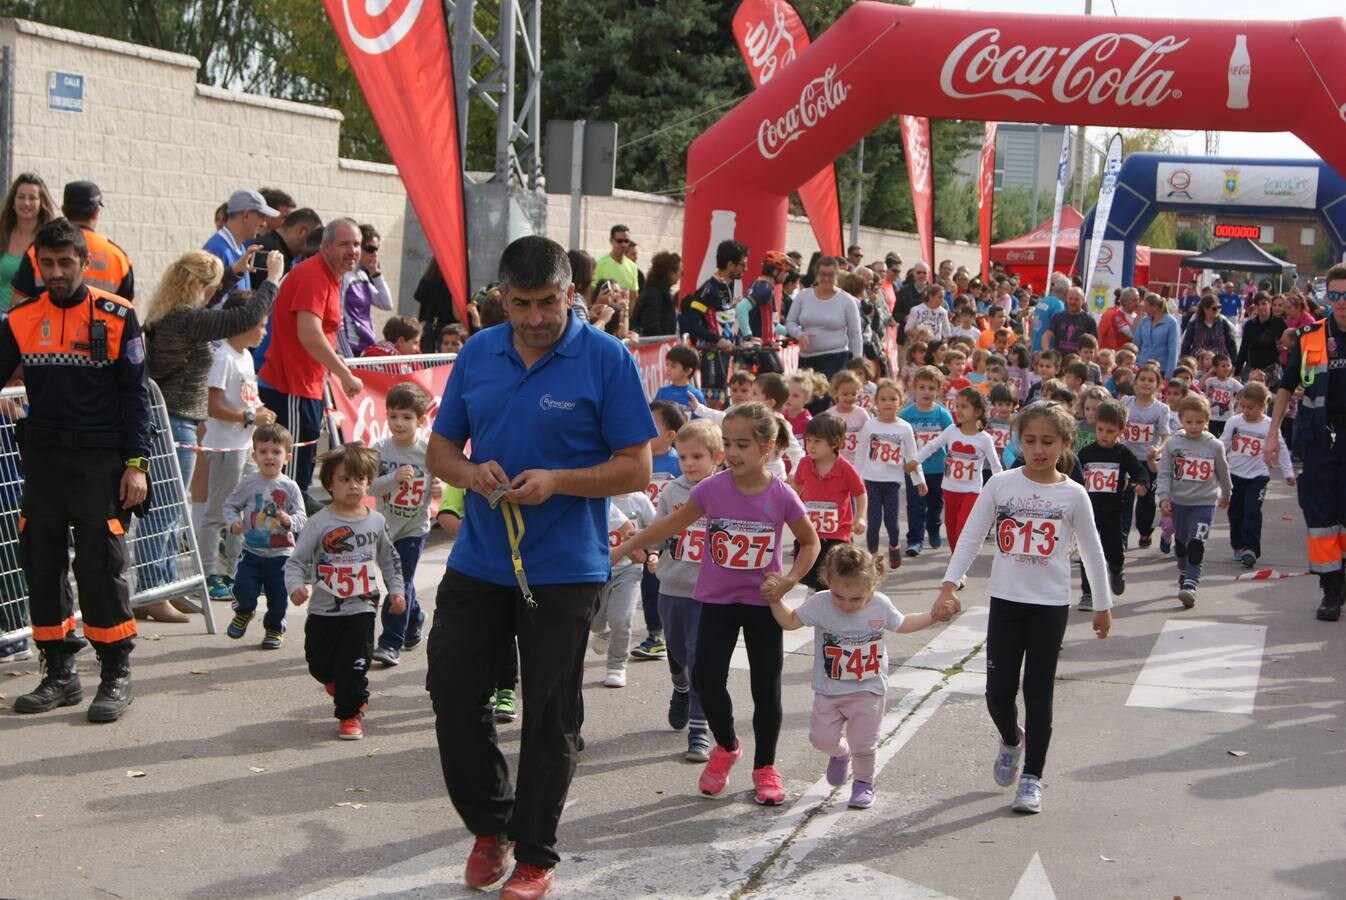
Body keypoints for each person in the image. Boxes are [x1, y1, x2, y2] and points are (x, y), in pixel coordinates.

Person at [424, 235, 656, 898]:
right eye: (521, 304)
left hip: (565, 567)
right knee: (454, 692)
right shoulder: (477, 351)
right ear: (501, 298)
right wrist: (470, 472)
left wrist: (558, 481)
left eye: (548, 302)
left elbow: (636, 467)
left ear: (570, 293)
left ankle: (535, 855)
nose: (534, 317)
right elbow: (441, 450)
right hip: (480, 559)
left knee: (551, 714)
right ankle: (490, 826)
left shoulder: (606, 358)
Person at [611, 404, 818, 807]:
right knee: (706, 680)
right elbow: (670, 524)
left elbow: (809, 542)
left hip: (761, 605)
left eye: (743, 444)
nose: (734, 452)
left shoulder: (781, 494)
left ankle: (765, 769)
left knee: (766, 689)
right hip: (716, 601)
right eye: (728, 443)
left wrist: (790, 580)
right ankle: (726, 746)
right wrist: (626, 548)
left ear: (767, 447)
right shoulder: (712, 489)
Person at [2, 218, 150, 723]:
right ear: (37, 265)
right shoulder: (20, 318)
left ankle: (115, 673)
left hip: (100, 463)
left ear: (84, 263)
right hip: (43, 462)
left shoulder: (116, 315)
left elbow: (136, 397)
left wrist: (136, 465)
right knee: (42, 565)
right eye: (48, 264)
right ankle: (59, 673)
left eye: (67, 262)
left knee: (99, 567)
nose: (57, 272)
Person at [937, 402, 1112, 814]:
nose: (1038, 449)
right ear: (1019, 441)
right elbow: (970, 536)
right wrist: (949, 585)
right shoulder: (1001, 485)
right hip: (1006, 601)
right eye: (1030, 440)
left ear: (1065, 444)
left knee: (1038, 691)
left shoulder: (1073, 494)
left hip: (1049, 606)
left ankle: (1032, 777)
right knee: (998, 694)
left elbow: (1092, 550)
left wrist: (1102, 604)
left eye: (1048, 442)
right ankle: (1012, 741)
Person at [138, 249, 283, 611]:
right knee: (164, 509)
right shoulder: (185, 320)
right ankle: (153, 589)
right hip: (172, 420)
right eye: (213, 285)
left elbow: (214, 307)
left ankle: (167, 583)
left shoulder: (175, 315)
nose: (215, 292)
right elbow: (242, 317)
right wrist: (272, 280)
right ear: (199, 286)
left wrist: (234, 273)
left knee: (173, 509)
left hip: (179, 419)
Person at [768, 545, 947, 809]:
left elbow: (903, 623)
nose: (847, 605)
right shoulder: (820, 603)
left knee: (864, 743)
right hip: (829, 690)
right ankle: (841, 754)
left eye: (856, 599)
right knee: (821, 739)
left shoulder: (880, 605)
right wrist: (775, 599)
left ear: (872, 586)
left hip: (868, 689)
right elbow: (792, 621)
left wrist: (933, 616)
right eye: (839, 596)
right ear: (828, 581)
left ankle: (863, 783)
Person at [286, 443, 405, 740]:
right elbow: (295, 562)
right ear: (329, 484)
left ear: (368, 482)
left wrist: (397, 591)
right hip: (323, 609)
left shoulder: (376, 521)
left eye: (360, 479)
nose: (353, 486)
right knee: (320, 665)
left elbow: (389, 560)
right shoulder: (318, 523)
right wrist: (296, 587)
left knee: (354, 664)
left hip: (361, 606)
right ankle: (342, 685)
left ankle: (350, 713)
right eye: (344, 479)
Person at [258, 219, 365, 501]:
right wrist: (343, 372)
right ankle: (286, 541)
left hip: (306, 388)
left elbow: (319, 336)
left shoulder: (330, 277)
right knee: (290, 480)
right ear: (326, 246)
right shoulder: (313, 276)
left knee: (300, 474)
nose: (352, 250)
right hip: (290, 388)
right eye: (344, 243)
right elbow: (309, 334)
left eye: (356, 244)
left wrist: (334, 364)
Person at [1267, 263, 1346, 621]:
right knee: (1321, 516)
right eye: (1335, 295)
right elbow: (1285, 386)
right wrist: (1272, 435)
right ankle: (1330, 589)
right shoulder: (1311, 336)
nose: (1341, 302)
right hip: (1320, 440)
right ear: (1325, 296)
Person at [197, 291, 279, 602]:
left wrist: (261, 412)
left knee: (245, 512)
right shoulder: (223, 357)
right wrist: (248, 416)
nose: (264, 331)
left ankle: (234, 570)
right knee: (218, 512)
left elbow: (247, 398)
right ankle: (208, 573)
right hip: (224, 446)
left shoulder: (244, 356)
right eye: (260, 324)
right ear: (241, 323)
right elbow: (213, 405)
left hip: (244, 445)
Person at [652, 418, 722, 761]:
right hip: (671, 587)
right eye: (683, 457)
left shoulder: (726, 491)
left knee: (699, 660)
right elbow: (660, 531)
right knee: (678, 653)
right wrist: (650, 551)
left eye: (697, 456)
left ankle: (698, 730)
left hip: (708, 594)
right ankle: (679, 687)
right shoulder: (671, 492)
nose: (689, 464)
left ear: (716, 457)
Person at [222, 424, 307, 648]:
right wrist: (233, 522)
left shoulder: (290, 487)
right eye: (263, 451)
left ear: (287, 456)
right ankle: (244, 612)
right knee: (242, 587)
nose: (269, 457)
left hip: (281, 555)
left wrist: (288, 520)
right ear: (254, 455)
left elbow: (302, 517)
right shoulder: (248, 482)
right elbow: (230, 506)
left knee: (278, 597)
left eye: (276, 452)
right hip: (251, 552)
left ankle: (274, 628)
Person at [368, 383, 434, 666]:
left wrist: (442, 491)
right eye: (393, 416)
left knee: (399, 582)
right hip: (385, 528)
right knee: (395, 582)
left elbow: (445, 481)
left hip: (413, 528)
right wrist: (392, 479)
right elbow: (368, 487)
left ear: (420, 420)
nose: (398, 423)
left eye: (406, 417)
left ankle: (390, 642)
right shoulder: (379, 449)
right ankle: (415, 617)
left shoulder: (428, 452)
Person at [1156, 394, 1232, 609]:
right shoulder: (1173, 444)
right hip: (1179, 503)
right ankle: (1183, 571)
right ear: (1180, 419)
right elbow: (1164, 473)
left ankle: (1191, 583)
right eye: (1189, 422)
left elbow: (1223, 471)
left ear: (1207, 420)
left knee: (1196, 543)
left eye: (1199, 422)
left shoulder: (1214, 445)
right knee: (1181, 544)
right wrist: (1163, 497)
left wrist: (1227, 493)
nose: (1194, 426)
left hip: (1204, 503)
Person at [1075, 401, 1149, 610]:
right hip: (1088, 512)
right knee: (1087, 551)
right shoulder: (1086, 453)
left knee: (1114, 551)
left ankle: (1116, 570)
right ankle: (1088, 593)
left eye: (1110, 431)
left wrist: (1142, 484)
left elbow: (1139, 471)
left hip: (1113, 512)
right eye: (1100, 429)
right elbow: (1074, 476)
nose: (1104, 435)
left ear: (1121, 430)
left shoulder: (1122, 453)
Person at [911, 387, 1002, 555]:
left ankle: (959, 571)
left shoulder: (984, 439)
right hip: (950, 489)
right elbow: (932, 446)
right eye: (957, 406)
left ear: (978, 411)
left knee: (962, 530)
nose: (958, 410)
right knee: (951, 532)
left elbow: (995, 465)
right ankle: (956, 561)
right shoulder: (952, 430)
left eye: (964, 406)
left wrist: (1002, 489)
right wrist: (915, 460)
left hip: (971, 491)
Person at [10, 181, 134, 303]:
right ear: (96, 212)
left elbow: (18, 302)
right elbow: (126, 311)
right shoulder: (119, 258)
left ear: (63, 210)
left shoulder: (38, 250)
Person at [1222, 382, 1294, 568]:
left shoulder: (1269, 426)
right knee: (1235, 512)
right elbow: (1223, 444)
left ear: (1263, 405)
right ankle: (1238, 545)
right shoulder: (1234, 422)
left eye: (1251, 407)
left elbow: (1282, 448)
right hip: (1235, 475)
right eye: (1242, 406)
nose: (1245, 410)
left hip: (1257, 476)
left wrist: (1288, 472)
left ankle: (1251, 549)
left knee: (1252, 512)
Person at [856, 379, 925, 569]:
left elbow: (913, 456)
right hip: (872, 480)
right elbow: (861, 454)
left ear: (900, 402)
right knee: (874, 520)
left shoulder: (904, 427)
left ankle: (894, 545)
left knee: (891, 522)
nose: (888, 403)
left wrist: (919, 480)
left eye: (892, 399)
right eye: (883, 399)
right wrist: (855, 482)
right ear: (876, 402)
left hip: (892, 481)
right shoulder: (870, 426)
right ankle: (872, 558)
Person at [792, 415, 866, 592]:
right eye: (808, 440)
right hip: (810, 530)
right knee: (809, 573)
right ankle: (814, 599)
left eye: (817, 441)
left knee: (834, 575)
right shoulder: (804, 464)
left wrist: (861, 517)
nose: (811, 445)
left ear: (835, 442)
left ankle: (830, 604)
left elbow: (860, 492)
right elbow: (796, 488)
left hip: (838, 534)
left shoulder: (845, 468)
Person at [679, 240, 746, 407]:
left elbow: (719, 317)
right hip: (711, 354)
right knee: (712, 402)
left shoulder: (727, 286)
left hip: (724, 354)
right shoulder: (709, 289)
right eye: (742, 265)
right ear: (730, 265)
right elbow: (690, 323)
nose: (745, 269)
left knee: (723, 402)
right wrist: (717, 340)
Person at [901, 366, 953, 556]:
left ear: (939, 390)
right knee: (915, 504)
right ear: (914, 388)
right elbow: (898, 438)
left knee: (935, 504)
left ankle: (933, 528)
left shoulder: (942, 414)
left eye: (931, 388)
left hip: (937, 469)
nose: (926, 392)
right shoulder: (905, 415)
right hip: (915, 469)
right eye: (922, 387)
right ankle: (915, 540)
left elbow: (952, 438)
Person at [786, 256, 864, 380]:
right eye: (822, 274)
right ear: (816, 275)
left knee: (825, 397)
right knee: (807, 397)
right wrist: (799, 334)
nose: (826, 278)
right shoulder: (803, 296)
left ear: (837, 276)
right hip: (806, 358)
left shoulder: (847, 300)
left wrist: (857, 361)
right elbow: (790, 322)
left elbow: (855, 333)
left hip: (835, 357)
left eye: (831, 275)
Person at [205, 188, 276, 300]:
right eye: (262, 217)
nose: (264, 224)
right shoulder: (216, 251)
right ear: (246, 215)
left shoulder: (239, 247)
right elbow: (209, 306)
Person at [0, 172, 56, 311]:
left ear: (41, 203)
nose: (26, 203)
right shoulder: (2, 233)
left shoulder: (49, 240)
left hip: (32, 320)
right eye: (21, 197)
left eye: (32, 198)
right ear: (13, 201)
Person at [340, 224, 394, 357]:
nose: (375, 254)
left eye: (377, 249)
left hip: (366, 347)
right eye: (370, 249)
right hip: (350, 347)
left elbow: (386, 304)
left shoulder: (362, 275)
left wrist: (375, 273)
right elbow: (338, 318)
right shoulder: (344, 276)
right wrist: (346, 355)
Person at [249, 207, 322, 290]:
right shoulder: (270, 252)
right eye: (313, 238)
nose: (314, 244)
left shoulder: (278, 250)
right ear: (302, 231)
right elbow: (264, 295)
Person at [1233, 292, 1287, 382]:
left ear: (1270, 304)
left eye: (1263, 304)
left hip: (1273, 370)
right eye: (1258, 305)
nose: (1261, 307)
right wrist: (1236, 373)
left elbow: (1289, 344)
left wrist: (1284, 347)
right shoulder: (1250, 325)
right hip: (1252, 369)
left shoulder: (1280, 323)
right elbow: (1243, 348)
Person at [630, 251, 681, 337]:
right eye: (680, 271)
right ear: (670, 273)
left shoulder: (659, 292)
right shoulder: (653, 294)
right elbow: (651, 325)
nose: (681, 275)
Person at [1134, 292, 1180, 378]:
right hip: (1142, 366)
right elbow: (1136, 344)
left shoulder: (1171, 322)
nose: (1144, 309)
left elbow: (1173, 349)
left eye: (1146, 307)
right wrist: (1135, 363)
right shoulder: (1144, 321)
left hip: (1161, 368)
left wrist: (1169, 373)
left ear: (1155, 307)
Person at [1181, 295, 1238, 360]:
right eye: (1214, 308)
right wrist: (1185, 361)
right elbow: (1186, 345)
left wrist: (1234, 363)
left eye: (1219, 307)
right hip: (1200, 363)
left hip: (1220, 363)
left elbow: (1231, 344)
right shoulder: (1194, 324)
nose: (1217, 310)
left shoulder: (1223, 323)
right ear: (1205, 309)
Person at [1043, 287, 1097, 356]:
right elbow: (1046, 336)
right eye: (1070, 299)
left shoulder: (1089, 320)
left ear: (1083, 301)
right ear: (1066, 299)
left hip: (1078, 363)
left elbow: (1094, 344)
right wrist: (1047, 352)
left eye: (1076, 299)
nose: (1073, 302)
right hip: (1059, 362)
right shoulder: (1058, 317)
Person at [593, 224, 640, 295]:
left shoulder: (632, 266)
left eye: (626, 241)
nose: (623, 244)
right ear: (611, 241)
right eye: (619, 241)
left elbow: (633, 295)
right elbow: (590, 291)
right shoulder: (599, 263)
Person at [1030, 274, 1068, 352]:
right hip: (1047, 350)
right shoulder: (1059, 305)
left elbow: (1032, 323)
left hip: (1035, 347)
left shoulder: (1043, 300)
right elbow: (1060, 330)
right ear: (1066, 292)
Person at [1097, 287, 1138, 352]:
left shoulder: (1137, 315)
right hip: (1117, 355)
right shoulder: (1115, 315)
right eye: (1134, 300)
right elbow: (1132, 335)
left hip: (1133, 355)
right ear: (1125, 301)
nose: (1137, 303)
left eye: (1138, 299)